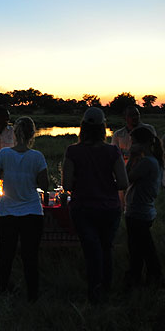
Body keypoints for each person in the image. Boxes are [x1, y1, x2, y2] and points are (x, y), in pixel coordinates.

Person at [62, 107, 129, 304]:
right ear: (103, 128)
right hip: (109, 208)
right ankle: (106, 288)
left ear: (82, 127)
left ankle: (94, 292)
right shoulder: (112, 151)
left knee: (92, 250)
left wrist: (84, 185)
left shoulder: (73, 151)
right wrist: (106, 186)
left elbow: (66, 185)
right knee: (105, 248)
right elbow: (124, 183)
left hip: (83, 208)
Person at [0, 116, 49, 302]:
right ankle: (32, 295)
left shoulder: (4, 154)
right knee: (30, 256)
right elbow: (45, 185)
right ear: (32, 134)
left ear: (14, 133)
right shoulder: (37, 157)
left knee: (6, 254)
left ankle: (1, 290)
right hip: (32, 212)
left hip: (7, 213)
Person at [124, 127, 164, 287]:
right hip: (141, 211)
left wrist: (131, 158)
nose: (131, 145)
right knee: (141, 248)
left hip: (139, 212)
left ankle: (150, 277)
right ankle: (141, 278)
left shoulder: (147, 162)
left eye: (133, 142)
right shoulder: (151, 160)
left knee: (141, 249)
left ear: (143, 143)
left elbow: (127, 178)